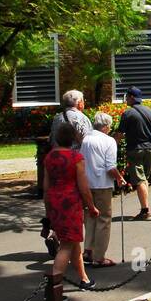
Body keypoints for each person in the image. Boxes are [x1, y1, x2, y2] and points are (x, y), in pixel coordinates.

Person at [42, 121, 101, 291]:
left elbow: (45, 187)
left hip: (54, 201)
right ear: (73, 139)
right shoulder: (76, 158)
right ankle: (53, 288)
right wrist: (91, 206)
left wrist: (48, 211)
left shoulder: (49, 157)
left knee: (73, 242)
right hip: (70, 203)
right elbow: (83, 186)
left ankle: (84, 279)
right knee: (66, 245)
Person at [81, 112, 123, 267]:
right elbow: (110, 167)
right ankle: (99, 257)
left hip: (87, 183)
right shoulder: (109, 141)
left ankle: (88, 249)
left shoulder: (86, 139)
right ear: (106, 126)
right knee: (104, 219)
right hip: (102, 184)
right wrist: (119, 178)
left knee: (90, 216)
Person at [118, 87, 151, 221]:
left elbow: (119, 134)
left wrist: (111, 143)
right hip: (149, 149)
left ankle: (145, 210)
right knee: (144, 179)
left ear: (131, 97)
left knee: (140, 180)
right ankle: (145, 207)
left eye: (127, 97)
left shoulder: (128, 113)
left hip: (135, 149)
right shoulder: (150, 111)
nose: (126, 99)